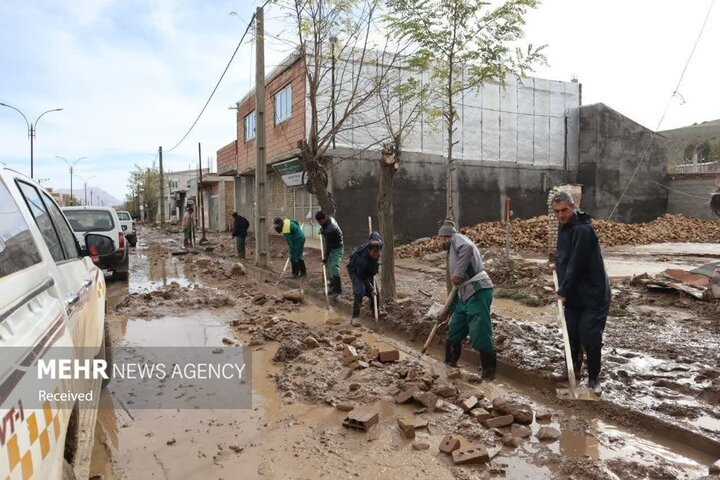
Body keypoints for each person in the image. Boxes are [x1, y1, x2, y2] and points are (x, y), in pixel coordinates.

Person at [552, 191, 610, 395]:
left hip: (593, 293)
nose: (561, 215)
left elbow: (577, 263)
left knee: (590, 335)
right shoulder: (564, 228)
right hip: (575, 293)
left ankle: (594, 378)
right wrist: (556, 265)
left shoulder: (583, 231)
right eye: (557, 212)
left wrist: (563, 290)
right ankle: (573, 371)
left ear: (572, 207)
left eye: (564, 210)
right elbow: (565, 257)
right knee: (572, 334)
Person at [438, 220, 496, 380]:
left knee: (480, 332)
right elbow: (456, 289)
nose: (440, 242)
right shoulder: (452, 248)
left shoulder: (458, 239)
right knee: (455, 329)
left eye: (442, 238)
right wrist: (447, 311)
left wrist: (458, 273)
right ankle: (449, 364)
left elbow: (468, 248)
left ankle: (489, 373)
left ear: (447, 236)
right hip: (464, 293)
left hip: (478, 290)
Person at [346, 232, 383, 326]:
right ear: (368, 250)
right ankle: (355, 318)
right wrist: (370, 289)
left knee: (376, 292)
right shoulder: (360, 258)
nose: (376, 254)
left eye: (377, 252)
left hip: (367, 269)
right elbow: (362, 276)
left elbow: (375, 234)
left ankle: (374, 311)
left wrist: (375, 269)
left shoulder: (377, 247)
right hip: (355, 270)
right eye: (374, 252)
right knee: (360, 291)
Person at [315, 211, 344, 299]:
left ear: (323, 219)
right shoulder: (329, 219)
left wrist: (326, 257)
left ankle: (338, 292)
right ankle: (332, 288)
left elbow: (329, 246)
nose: (319, 224)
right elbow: (325, 227)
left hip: (337, 248)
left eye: (320, 222)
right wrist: (322, 229)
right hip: (333, 245)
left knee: (334, 268)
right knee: (331, 269)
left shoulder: (330, 230)